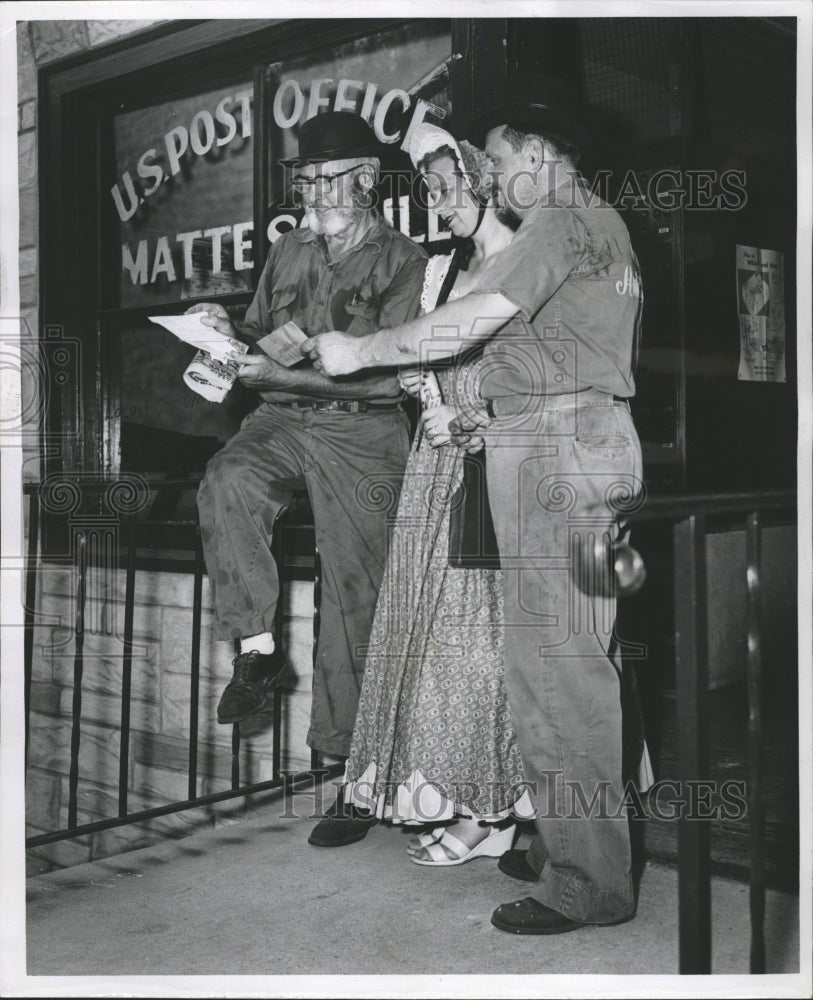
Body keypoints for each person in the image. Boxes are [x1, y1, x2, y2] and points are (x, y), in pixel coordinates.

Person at [303, 76, 646, 934]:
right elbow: (537, 348)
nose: (488, 177)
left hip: (554, 460)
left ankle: (585, 884)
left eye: (493, 160)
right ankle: (581, 855)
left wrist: (357, 351)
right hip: (583, 448)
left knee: (552, 676)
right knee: (580, 667)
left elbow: (462, 324)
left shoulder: (561, 220)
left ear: (537, 153)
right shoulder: (605, 226)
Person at [309, 123, 535, 862]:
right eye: (429, 192)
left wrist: (468, 415)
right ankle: (474, 802)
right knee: (434, 640)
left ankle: (493, 810)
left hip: (503, 463)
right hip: (436, 469)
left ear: (482, 183)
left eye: (443, 190)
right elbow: (419, 351)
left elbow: (544, 378)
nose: (435, 207)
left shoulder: (532, 265)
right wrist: (425, 395)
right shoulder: (443, 271)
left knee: (487, 642)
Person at [190, 112, 426, 782]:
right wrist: (223, 333)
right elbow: (265, 337)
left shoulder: (404, 261)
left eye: (328, 179)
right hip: (285, 416)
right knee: (226, 478)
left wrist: (275, 373)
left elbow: (391, 381)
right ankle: (259, 650)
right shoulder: (289, 249)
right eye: (307, 181)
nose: (314, 194)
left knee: (354, 599)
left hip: (363, 428)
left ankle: (351, 772)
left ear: (367, 178)